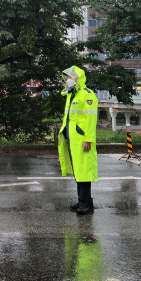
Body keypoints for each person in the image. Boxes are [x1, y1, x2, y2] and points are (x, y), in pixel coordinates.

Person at [58, 66, 99, 214]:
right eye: (67, 77)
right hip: (72, 139)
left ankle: (85, 203)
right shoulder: (72, 94)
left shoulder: (87, 95)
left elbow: (91, 119)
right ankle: (84, 200)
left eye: (70, 77)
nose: (67, 80)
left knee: (83, 171)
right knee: (78, 171)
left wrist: (88, 139)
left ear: (77, 78)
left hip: (82, 139)